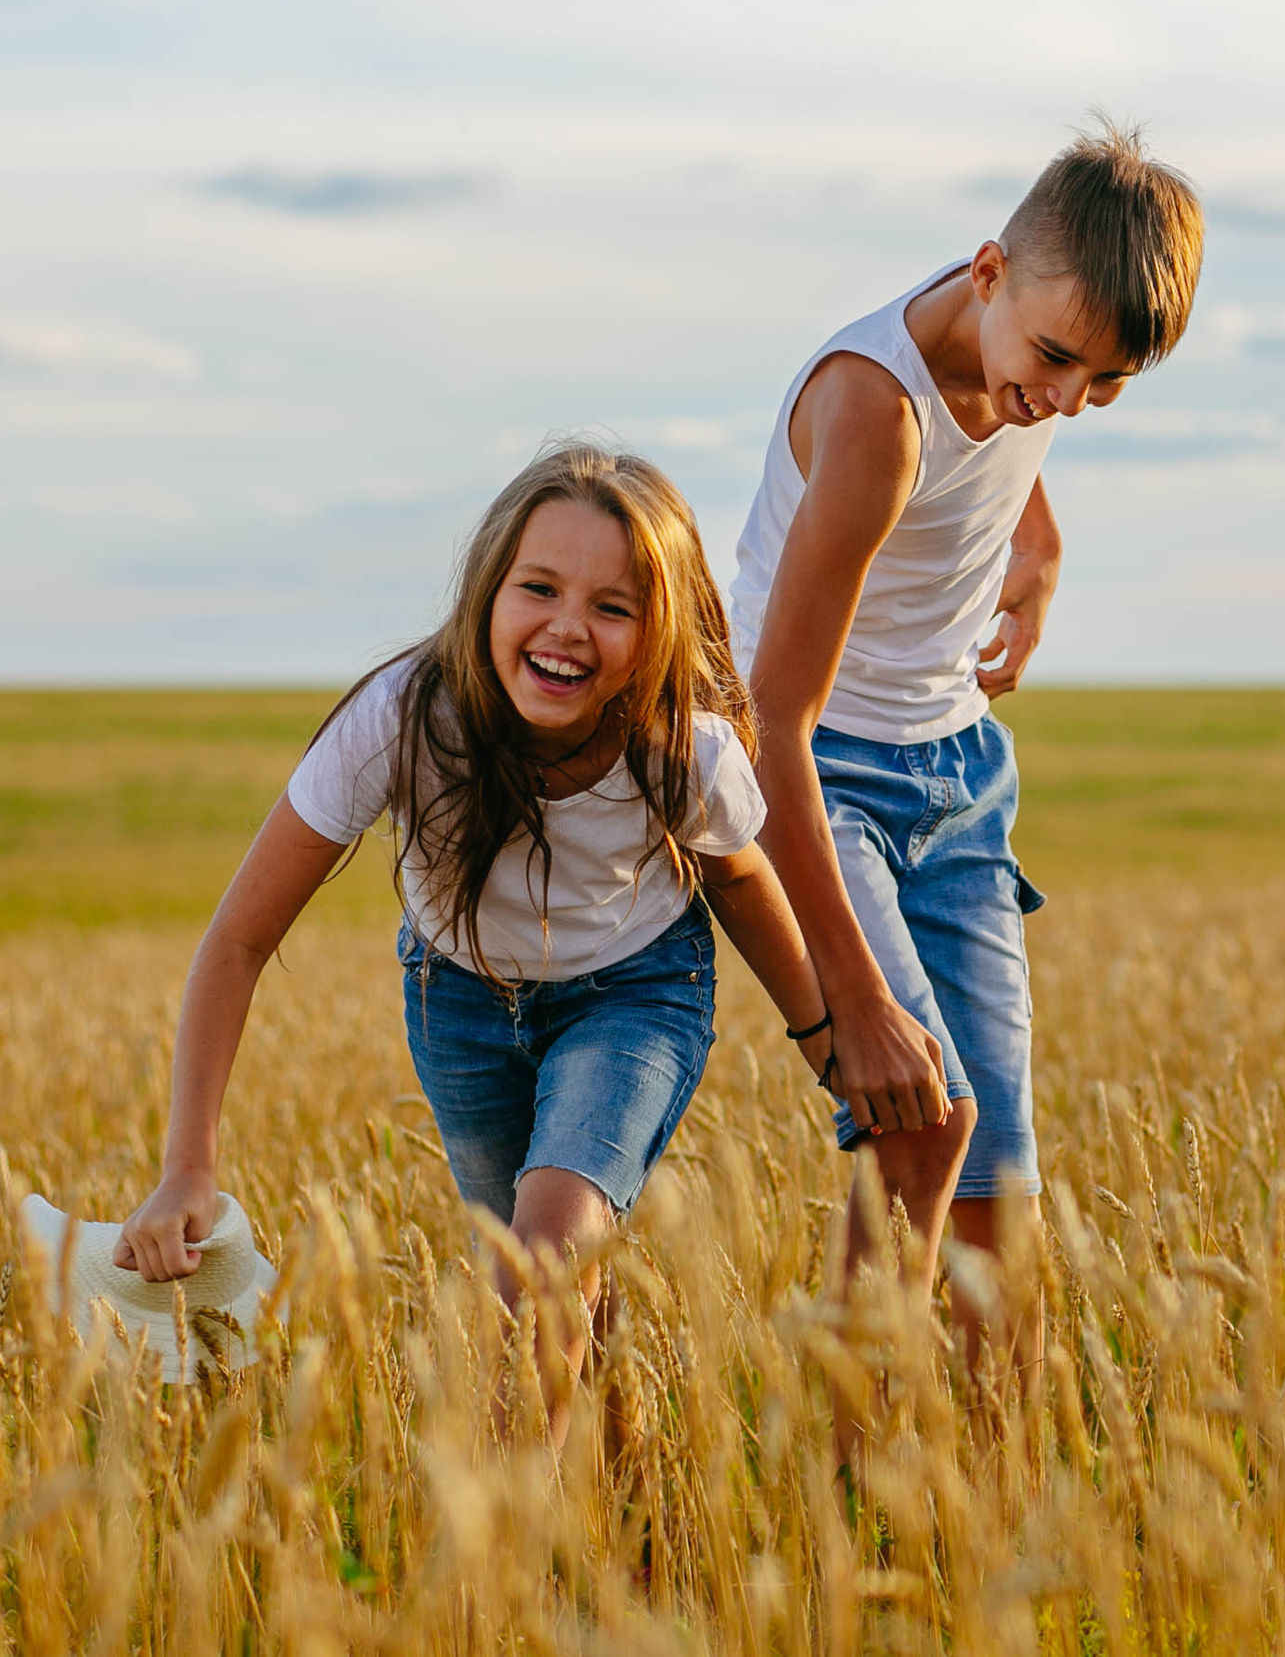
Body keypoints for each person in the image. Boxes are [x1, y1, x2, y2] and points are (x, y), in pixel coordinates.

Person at [117, 439, 834, 1433]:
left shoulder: (681, 749)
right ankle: (640, 1538)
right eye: (538, 587)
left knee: (546, 1260)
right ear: (487, 591)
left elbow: (743, 882)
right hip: (456, 1002)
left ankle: (501, 1548)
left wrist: (830, 1044)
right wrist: (187, 1167)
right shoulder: (403, 720)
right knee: (547, 1283)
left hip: (635, 992)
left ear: (658, 632)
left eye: (613, 607)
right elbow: (236, 941)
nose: (567, 628)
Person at [729, 118, 1204, 1373]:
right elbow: (769, 719)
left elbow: (1016, 428)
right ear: (986, 269)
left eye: (1105, 384)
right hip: (820, 779)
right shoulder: (871, 416)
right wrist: (859, 1001)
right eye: (1057, 360)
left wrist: (1040, 549)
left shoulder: (1032, 343)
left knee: (1001, 1192)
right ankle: (845, 1500)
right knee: (920, 1125)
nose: (1066, 400)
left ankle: (989, 1515)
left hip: (961, 775)